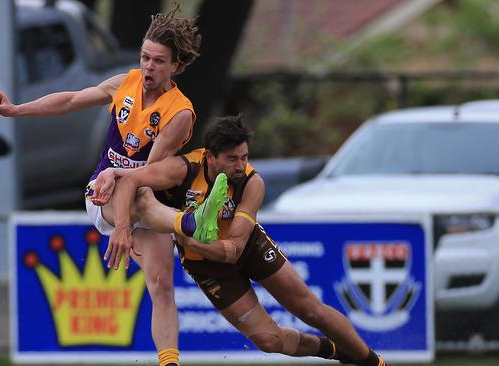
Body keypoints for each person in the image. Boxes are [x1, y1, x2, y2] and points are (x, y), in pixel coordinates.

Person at [0, 5, 201, 366]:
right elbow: (70, 100)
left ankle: (169, 363)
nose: (149, 66)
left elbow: (146, 174)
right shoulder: (124, 82)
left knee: (162, 287)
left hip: (144, 200)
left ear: (175, 67)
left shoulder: (179, 113)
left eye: (159, 61)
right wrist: (16, 110)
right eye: (146, 57)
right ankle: (186, 224)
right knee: (142, 198)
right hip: (103, 196)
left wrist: (122, 195)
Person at [103, 115, 386, 366]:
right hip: (207, 268)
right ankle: (335, 351)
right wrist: (122, 228)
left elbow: (234, 248)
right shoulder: (183, 170)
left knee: (311, 309)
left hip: (247, 247)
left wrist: (190, 241)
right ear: (210, 157)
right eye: (232, 159)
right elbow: (129, 181)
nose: (241, 166)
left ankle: (373, 362)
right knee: (269, 341)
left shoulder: (252, 182)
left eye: (245, 157)